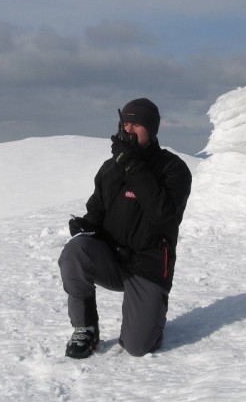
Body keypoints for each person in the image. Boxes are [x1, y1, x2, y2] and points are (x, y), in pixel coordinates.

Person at [58, 98, 192, 358]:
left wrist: (132, 166)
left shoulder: (173, 169)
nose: (128, 130)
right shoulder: (111, 168)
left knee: (137, 347)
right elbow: (97, 210)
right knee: (76, 251)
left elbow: (164, 215)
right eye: (125, 123)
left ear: (152, 129)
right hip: (113, 259)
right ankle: (86, 328)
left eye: (137, 124)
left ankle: (151, 318)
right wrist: (86, 226)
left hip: (149, 265)